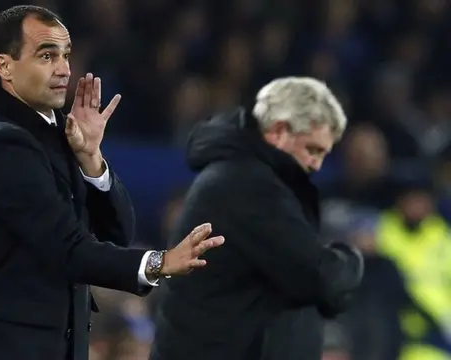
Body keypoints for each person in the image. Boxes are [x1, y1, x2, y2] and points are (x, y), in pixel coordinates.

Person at [0, 5, 224, 360]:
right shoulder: (5, 147)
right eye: (46, 55)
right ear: (5, 66)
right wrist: (160, 262)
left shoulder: (56, 139)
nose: (64, 69)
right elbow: (70, 249)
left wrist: (92, 159)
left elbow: (117, 233)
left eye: (66, 56)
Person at [149, 77, 365, 360]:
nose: (316, 164)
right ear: (278, 131)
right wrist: (352, 259)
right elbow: (319, 278)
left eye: (324, 154)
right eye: (312, 149)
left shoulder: (245, 177)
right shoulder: (247, 185)